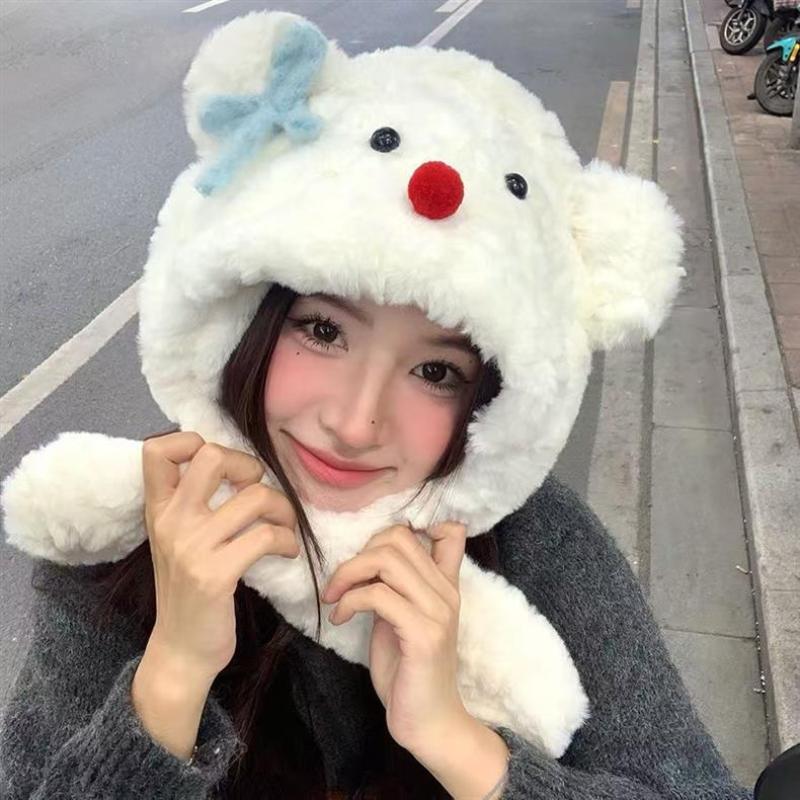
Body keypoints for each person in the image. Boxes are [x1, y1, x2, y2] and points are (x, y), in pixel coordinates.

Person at [0, 9, 755, 800]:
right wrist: (172, 678)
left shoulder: (537, 545)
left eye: (436, 372)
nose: (355, 424)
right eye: (324, 330)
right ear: (246, 318)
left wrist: (461, 744)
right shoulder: (127, 548)